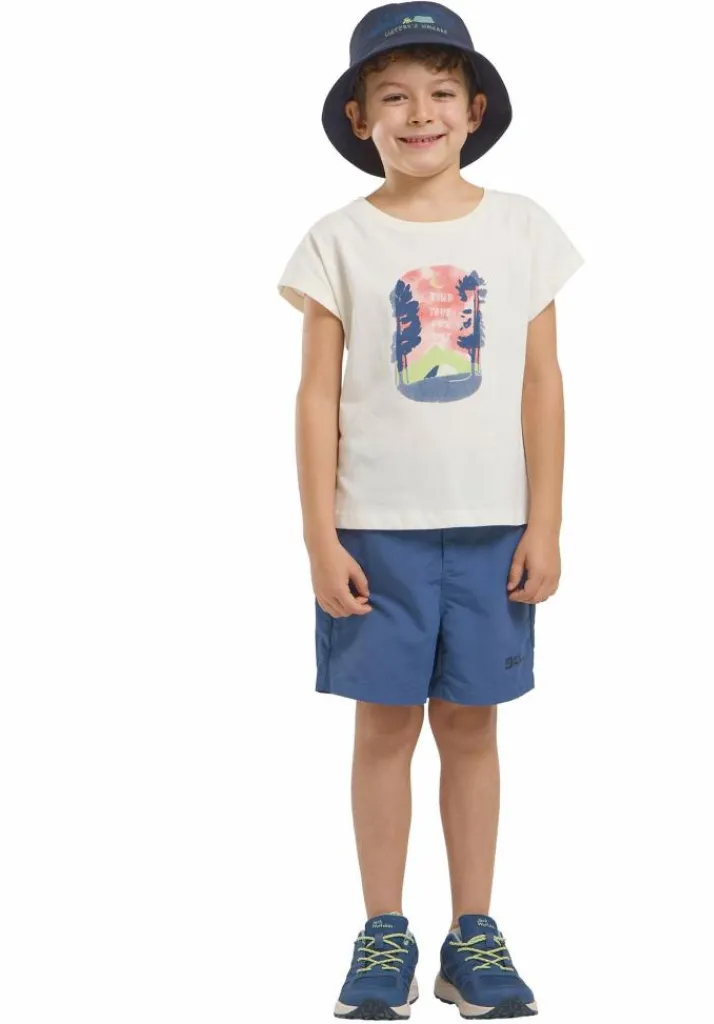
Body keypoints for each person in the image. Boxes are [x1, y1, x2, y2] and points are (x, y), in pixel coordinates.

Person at [277, 3, 583, 1018]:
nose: (421, 114)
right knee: (382, 731)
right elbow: (315, 396)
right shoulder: (338, 240)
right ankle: (383, 931)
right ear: (360, 116)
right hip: (375, 531)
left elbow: (541, 382)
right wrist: (319, 537)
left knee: (470, 727)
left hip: (493, 527)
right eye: (396, 96)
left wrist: (546, 521)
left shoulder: (522, 228)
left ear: (474, 110)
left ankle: (473, 934)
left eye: (442, 94)